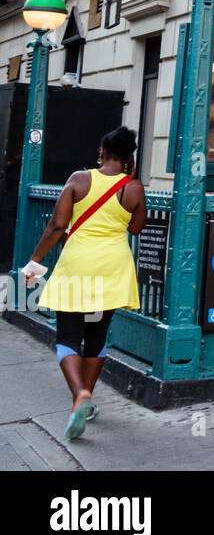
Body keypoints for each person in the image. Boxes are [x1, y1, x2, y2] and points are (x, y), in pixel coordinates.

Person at [21, 126, 147, 440]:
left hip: (78, 268)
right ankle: (86, 400)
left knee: (67, 336)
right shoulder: (133, 188)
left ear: (101, 151)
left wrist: (35, 263)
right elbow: (136, 228)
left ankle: (80, 394)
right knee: (96, 336)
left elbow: (57, 225)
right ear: (129, 156)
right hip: (112, 270)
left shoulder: (78, 180)